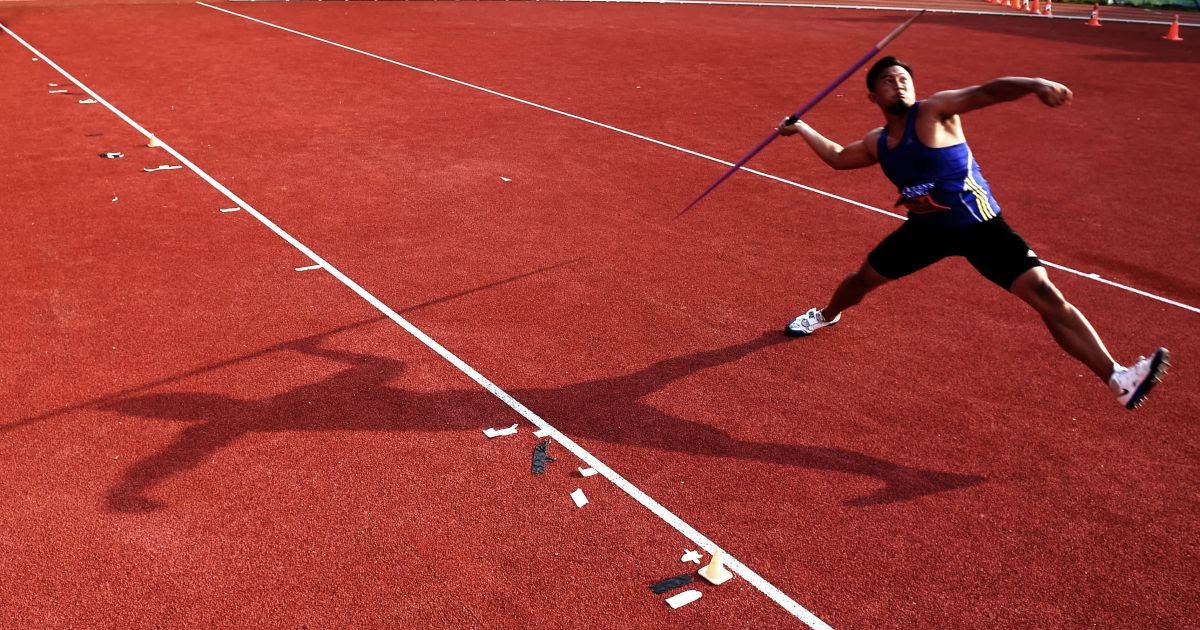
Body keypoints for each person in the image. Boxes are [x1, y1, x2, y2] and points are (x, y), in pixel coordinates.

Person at [777, 56, 1168, 410]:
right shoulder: (879, 142)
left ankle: (1117, 376)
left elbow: (989, 91)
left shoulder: (935, 111)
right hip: (925, 232)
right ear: (872, 96)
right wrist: (803, 129)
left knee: (1045, 294)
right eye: (888, 81)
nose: (898, 84)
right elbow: (839, 158)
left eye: (903, 79)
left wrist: (1034, 83)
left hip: (980, 227)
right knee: (862, 280)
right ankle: (828, 314)